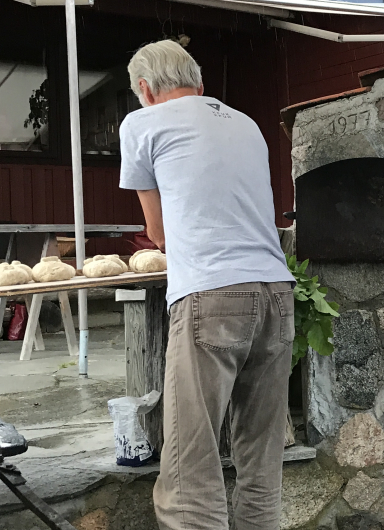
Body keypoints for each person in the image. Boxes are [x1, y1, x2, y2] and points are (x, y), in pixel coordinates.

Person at [118, 39, 296, 530]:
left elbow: (158, 233)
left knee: (188, 467)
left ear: (144, 89)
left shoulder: (141, 123)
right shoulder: (246, 124)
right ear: (199, 84)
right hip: (276, 293)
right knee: (261, 462)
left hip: (212, 295)